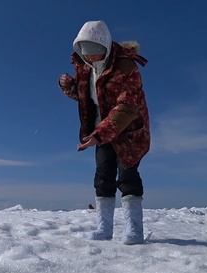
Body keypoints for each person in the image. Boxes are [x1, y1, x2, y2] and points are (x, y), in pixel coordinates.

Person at [58, 20, 150, 245]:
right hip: (102, 131)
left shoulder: (127, 67)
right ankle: (104, 228)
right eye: (84, 50)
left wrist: (101, 133)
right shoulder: (85, 68)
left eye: (95, 49)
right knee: (103, 177)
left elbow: (126, 107)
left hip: (128, 131)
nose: (90, 56)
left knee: (127, 176)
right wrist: (71, 88)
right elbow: (90, 99)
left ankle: (134, 230)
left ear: (106, 46)